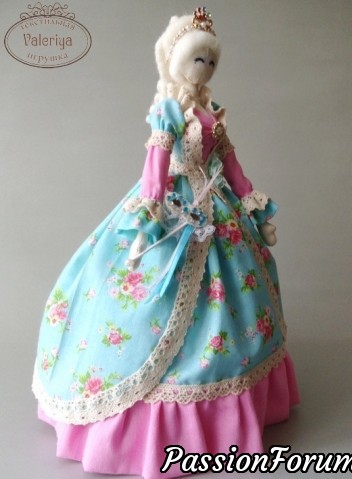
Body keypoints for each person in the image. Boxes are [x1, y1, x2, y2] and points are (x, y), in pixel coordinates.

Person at [32, 7, 299, 478]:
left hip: (217, 207)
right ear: (176, 60)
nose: (205, 69)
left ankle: (222, 390)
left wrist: (251, 204)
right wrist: (151, 213)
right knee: (142, 293)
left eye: (210, 62)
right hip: (174, 207)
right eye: (197, 59)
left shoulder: (213, 115)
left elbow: (232, 167)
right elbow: (155, 168)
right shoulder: (168, 111)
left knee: (231, 295)